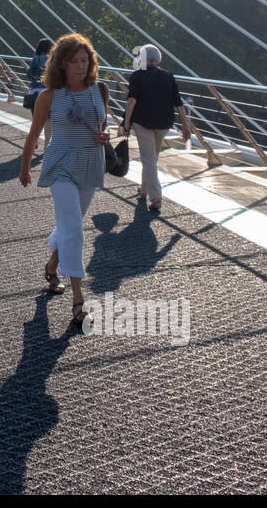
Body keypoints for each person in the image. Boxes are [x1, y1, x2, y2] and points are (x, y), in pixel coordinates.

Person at [19, 33, 110, 321]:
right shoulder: (48, 97)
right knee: (75, 230)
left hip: (91, 162)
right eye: (73, 62)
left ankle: (52, 264)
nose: (80, 67)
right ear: (61, 65)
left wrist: (105, 136)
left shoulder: (100, 90)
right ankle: (79, 300)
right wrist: (24, 168)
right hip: (60, 163)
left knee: (71, 225)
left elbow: (103, 125)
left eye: (85, 61)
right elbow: (34, 134)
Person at [120, 44, 192, 213]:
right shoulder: (168, 76)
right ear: (158, 60)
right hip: (164, 122)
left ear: (142, 59)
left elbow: (132, 101)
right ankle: (144, 189)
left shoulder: (137, 76)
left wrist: (126, 122)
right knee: (152, 158)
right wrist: (185, 125)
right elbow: (179, 103)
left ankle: (156, 196)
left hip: (142, 121)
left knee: (148, 159)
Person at [25, 38, 54, 149]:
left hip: (36, 92)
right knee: (48, 120)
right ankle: (47, 145)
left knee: (36, 119)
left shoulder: (36, 59)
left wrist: (36, 78)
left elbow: (29, 74)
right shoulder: (53, 59)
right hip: (48, 92)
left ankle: (34, 140)